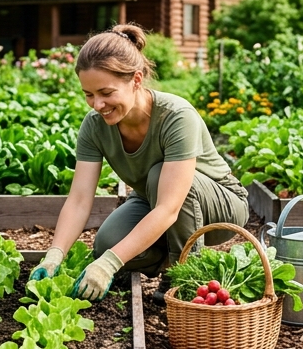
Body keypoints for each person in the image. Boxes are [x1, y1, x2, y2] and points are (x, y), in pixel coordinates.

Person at [28, 23, 249, 301]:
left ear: (136, 79)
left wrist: (110, 264)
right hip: (153, 199)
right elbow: (80, 200)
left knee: (158, 179)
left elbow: (170, 207)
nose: (97, 104)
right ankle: (168, 257)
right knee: (107, 243)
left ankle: (185, 278)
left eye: (106, 93)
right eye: (89, 94)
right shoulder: (95, 126)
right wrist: (54, 255)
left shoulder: (176, 116)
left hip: (220, 206)